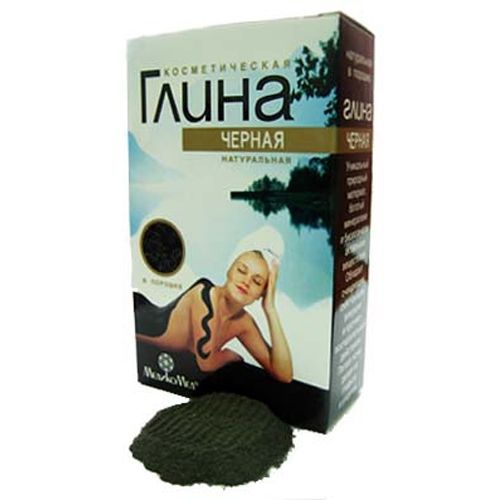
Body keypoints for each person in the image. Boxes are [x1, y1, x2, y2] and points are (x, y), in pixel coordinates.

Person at [135, 250, 293, 383]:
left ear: (261, 294)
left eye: (257, 282)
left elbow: (284, 375)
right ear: (229, 271)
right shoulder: (203, 295)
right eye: (241, 270)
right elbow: (206, 363)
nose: (246, 281)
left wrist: (270, 308)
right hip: (140, 314)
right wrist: (230, 356)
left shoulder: (244, 322)